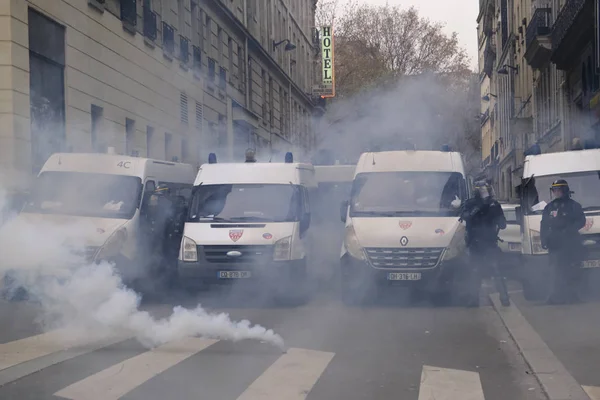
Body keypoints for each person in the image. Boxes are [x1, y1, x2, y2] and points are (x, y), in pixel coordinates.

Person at [460, 180, 510, 307]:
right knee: (475, 272)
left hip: (489, 242)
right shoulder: (470, 203)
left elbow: (503, 224)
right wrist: (479, 207)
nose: (484, 192)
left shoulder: (494, 204)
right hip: (475, 243)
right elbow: (465, 217)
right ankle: (473, 299)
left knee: (496, 270)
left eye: (485, 189)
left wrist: (498, 217)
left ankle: (504, 298)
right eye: (481, 190)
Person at [540, 179, 586, 304]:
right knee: (554, 271)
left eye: (559, 190)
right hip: (555, 244)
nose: (556, 192)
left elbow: (581, 221)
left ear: (565, 190)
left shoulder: (574, 206)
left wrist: (569, 230)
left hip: (570, 244)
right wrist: (543, 239)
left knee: (571, 270)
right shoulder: (549, 207)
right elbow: (543, 224)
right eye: (554, 190)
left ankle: (573, 296)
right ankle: (553, 297)